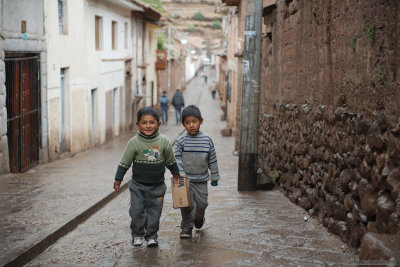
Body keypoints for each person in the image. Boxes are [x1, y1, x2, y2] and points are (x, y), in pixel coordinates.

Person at [113, 107, 180, 247]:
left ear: (159, 124)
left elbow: (170, 160)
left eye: (152, 122)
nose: (148, 126)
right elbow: (125, 162)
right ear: (138, 124)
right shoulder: (134, 143)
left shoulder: (163, 141)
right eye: (144, 123)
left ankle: (151, 236)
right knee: (136, 212)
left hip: (157, 186)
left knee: (154, 213)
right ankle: (137, 234)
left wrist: (176, 174)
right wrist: (118, 178)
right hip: (138, 185)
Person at [173, 105, 220, 238]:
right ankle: (186, 227)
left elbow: (212, 159)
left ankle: (199, 218)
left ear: (201, 121)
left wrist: (214, 176)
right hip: (185, 180)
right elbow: (176, 157)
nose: (191, 125)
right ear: (183, 124)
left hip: (202, 180)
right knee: (186, 205)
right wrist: (180, 172)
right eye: (187, 123)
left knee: (202, 204)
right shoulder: (181, 141)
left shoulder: (207, 140)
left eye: (194, 121)